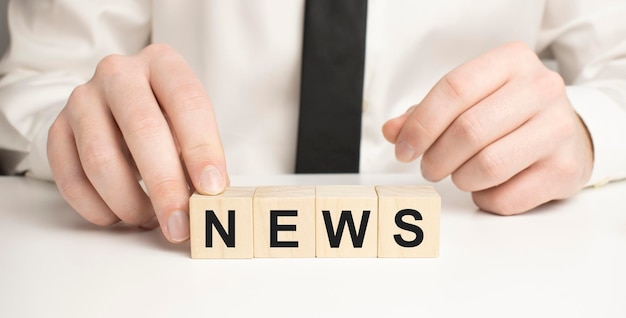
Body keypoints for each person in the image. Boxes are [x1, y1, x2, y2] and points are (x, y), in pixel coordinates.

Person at [1, 1, 625, 244]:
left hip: (483, 267)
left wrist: (587, 128)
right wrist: (81, 132)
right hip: (172, 264)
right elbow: (38, 82)